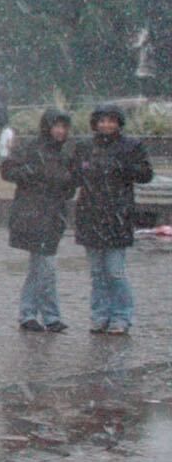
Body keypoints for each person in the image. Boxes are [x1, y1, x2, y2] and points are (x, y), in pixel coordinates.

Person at [72, 104, 154, 335]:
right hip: (90, 215)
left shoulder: (131, 146)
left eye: (111, 121)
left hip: (118, 215)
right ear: (95, 123)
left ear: (118, 123)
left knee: (115, 271)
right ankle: (100, 315)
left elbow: (146, 174)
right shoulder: (85, 147)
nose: (106, 125)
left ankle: (122, 316)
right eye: (102, 121)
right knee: (97, 273)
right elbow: (75, 174)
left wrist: (123, 167)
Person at [1, 109, 74, 332]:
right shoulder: (31, 148)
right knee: (46, 267)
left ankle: (28, 313)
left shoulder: (65, 154)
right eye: (57, 126)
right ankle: (51, 316)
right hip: (32, 217)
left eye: (64, 127)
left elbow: (69, 185)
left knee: (39, 268)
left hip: (53, 217)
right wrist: (30, 172)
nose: (60, 131)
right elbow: (8, 171)